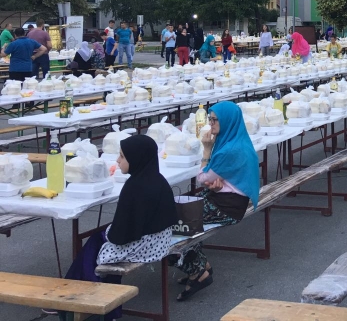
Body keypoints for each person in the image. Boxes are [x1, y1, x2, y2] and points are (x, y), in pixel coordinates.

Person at [61, 135, 177, 318]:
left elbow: (121, 236)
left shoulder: (135, 186)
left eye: (122, 156)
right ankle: (93, 301)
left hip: (146, 246)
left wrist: (107, 234)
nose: (117, 160)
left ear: (136, 158)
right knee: (99, 239)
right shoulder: (157, 179)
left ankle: (75, 298)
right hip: (160, 241)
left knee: (94, 245)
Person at [172, 101, 260, 301]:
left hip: (227, 206)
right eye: (209, 119)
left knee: (177, 221)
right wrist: (216, 180)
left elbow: (202, 178)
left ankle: (198, 272)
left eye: (214, 120)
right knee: (181, 210)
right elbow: (211, 178)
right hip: (227, 199)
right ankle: (201, 265)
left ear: (227, 121)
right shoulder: (236, 140)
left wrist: (206, 150)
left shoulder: (230, 150)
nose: (210, 124)